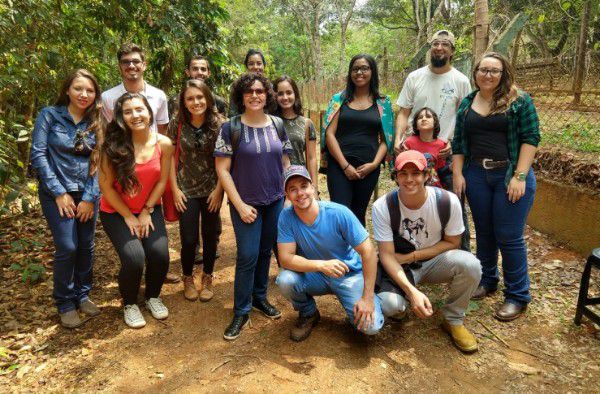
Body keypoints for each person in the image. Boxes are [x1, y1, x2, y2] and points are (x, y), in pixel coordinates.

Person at [452, 52, 540, 321]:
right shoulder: (467, 102)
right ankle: (488, 279)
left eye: (494, 70)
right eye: (483, 70)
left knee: (509, 236)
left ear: (503, 74)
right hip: (476, 174)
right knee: (485, 232)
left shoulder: (519, 101)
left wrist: (520, 176)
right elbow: (459, 142)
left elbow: (530, 138)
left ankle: (517, 295)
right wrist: (457, 173)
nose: (488, 75)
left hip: (509, 174)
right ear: (475, 73)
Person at [372, 150, 481, 353]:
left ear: (427, 175)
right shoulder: (383, 206)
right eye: (403, 173)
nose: (409, 179)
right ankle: (402, 303)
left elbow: (453, 242)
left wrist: (413, 256)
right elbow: (386, 255)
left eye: (416, 173)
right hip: (401, 266)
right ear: (395, 177)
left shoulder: (447, 201)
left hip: (433, 261)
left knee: (470, 264)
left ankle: (453, 319)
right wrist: (412, 292)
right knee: (390, 305)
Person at [215, 73, 292, 340]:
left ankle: (260, 297)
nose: (255, 95)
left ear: (267, 94)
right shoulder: (230, 128)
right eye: (249, 91)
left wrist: (289, 194)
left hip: (275, 201)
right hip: (244, 203)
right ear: (241, 96)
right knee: (247, 255)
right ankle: (241, 310)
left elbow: (285, 162)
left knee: (264, 253)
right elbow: (223, 171)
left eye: (260, 91)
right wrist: (239, 205)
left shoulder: (278, 124)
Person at [277, 166, 384, 341]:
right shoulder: (286, 217)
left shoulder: (338, 213)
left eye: (304, 186)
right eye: (293, 189)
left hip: (348, 274)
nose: (300, 193)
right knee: (286, 280)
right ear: (287, 195)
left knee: (371, 328)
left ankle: (375, 300)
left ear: (313, 187)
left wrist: (367, 297)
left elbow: (369, 252)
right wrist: (321, 265)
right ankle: (309, 313)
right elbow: (285, 258)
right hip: (316, 275)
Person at [30, 69, 103, 328]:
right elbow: (38, 155)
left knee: (86, 245)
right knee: (67, 246)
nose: (84, 94)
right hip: (55, 192)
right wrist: (59, 193)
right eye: (78, 88)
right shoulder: (49, 115)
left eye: (90, 90)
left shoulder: (97, 121)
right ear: (67, 90)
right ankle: (64, 301)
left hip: (86, 193)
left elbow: (100, 161)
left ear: (96, 95)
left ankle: (83, 295)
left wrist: (89, 197)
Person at [99, 93, 174, 329]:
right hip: (116, 212)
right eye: (128, 111)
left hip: (148, 208)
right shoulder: (111, 147)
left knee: (160, 255)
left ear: (149, 112)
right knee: (134, 259)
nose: (135, 116)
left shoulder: (163, 143)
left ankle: (152, 296)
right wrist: (129, 216)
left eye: (139, 109)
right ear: (120, 117)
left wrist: (146, 210)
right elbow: (106, 188)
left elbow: (162, 182)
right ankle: (130, 303)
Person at [395, 30, 472, 250]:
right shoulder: (415, 77)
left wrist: (455, 142)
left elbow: (465, 118)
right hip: (414, 153)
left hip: (445, 156)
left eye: (445, 44)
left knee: (454, 204)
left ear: (452, 51)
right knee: (413, 204)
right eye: (435, 43)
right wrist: (398, 139)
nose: (439, 47)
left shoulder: (460, 80)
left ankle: (463, 253)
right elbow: (403, 112)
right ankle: (412, 251)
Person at [322, 54, 394, 226]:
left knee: (358, 212)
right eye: (355, 69)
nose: (359, 72)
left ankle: (359, 253)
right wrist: (345, 166)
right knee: (340, 212)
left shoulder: (383, 102)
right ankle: (339, 253)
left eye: (364, 68)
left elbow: (386, 139)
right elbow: (329, 134)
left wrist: (374, 164)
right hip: (339, 166)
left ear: (372, 72)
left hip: (368, 168)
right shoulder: (339, 99)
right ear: (350, 73)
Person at [167, 79, 223, 301]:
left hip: (212, 189)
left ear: (208, 99)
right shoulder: (177, 123)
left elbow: (226, 161)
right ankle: (188, 277)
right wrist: (174, 189)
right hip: (186, 189)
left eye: (200, 97)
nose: (195, 102)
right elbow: (170, 159)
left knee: (210, 236)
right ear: (184, 102)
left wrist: (220, 190)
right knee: (189, 238)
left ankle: (207, 276)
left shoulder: (219, 124)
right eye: (190, 98)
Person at [101, 43, 169, 135]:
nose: (131, 66)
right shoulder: (107, 97)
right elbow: (107, 131)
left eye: (136, 61)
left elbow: (162, 130)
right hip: (120, 148)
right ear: (119, 67)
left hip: (151, 148)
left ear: (144, 65)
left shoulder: (159, 96)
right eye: (125, 62)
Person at [273, 75, 318, 195]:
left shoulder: (307, 123)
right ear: (275, 96)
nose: (285, 97)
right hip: (275, 182)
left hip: (299, 181)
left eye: (289, 92)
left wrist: (314, 188)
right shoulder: (269, 122)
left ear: (295, 95)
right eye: (280, 94)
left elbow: (311, 158)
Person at [404, 107, 448, 188]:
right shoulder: (408, 143)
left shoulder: (442, 144)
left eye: (428, 116)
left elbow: (441, 170)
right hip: (413, 186)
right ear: (416, 125)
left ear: (435, 123)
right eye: (420, 117)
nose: (424, 119)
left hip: (434, 186)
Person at [229, 49, 268, 116]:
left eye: (259, 63)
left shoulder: (270, 87)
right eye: (251, 64)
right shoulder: (238, 86)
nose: (255, 67)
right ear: (246, 67)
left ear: (264, 66)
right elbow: (233, 113)